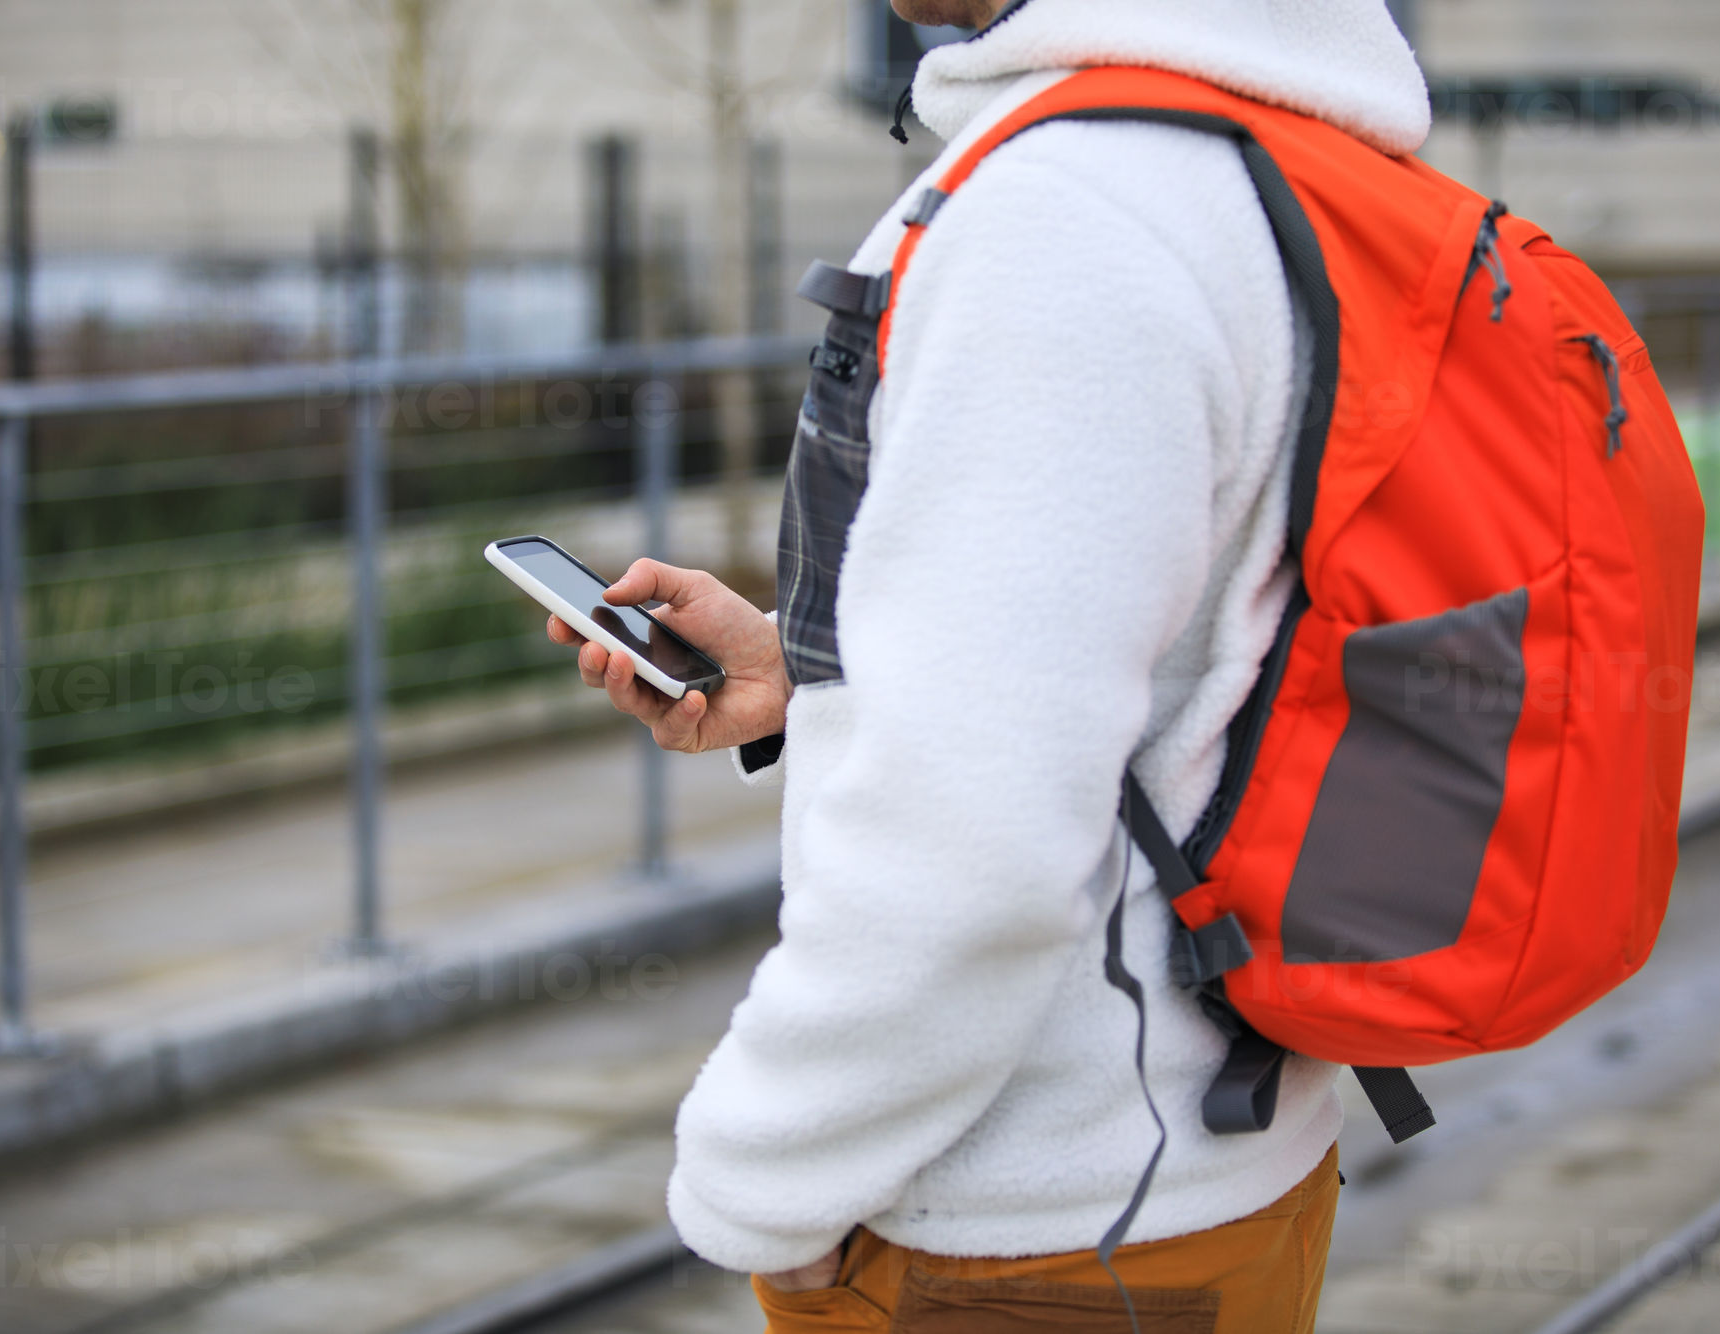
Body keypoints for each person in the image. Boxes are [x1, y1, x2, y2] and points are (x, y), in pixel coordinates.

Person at [549, 0, 1431, 1326]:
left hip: (1028, 1233)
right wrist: (811, 691)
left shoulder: (1065, 216)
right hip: (1227, 1157)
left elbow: (983, 847)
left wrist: (762, 1177)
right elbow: (1201, 650)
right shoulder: (1279, 156)